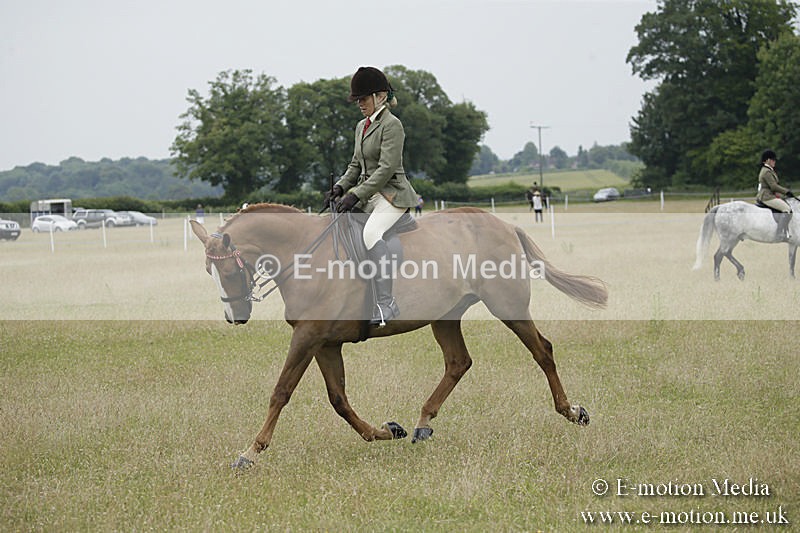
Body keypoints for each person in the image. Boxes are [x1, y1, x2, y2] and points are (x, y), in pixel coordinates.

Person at [324, 66, 419, 326]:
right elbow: (356, 165)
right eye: (357, 100)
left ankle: (386, 304)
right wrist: (340, 187)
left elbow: (386, 169)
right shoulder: (361, 127)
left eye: (363, 99)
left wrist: (355, 194)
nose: (359, 104)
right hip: (369, 196)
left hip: (392, 195)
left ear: (380, 97)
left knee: (370, 234)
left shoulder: (392, 125)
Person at [756, 149, 793, 241]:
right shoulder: (767, 172)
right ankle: (779, 233)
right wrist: (786, 191)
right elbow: (773, 186)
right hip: (767, 196)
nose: (774, 161)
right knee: (787, 209)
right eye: (773, 160)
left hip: (770, 195)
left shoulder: (768, 170)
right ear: (767, 160)